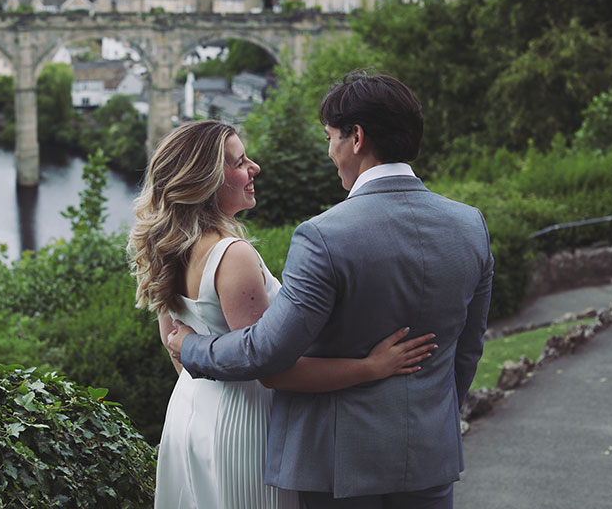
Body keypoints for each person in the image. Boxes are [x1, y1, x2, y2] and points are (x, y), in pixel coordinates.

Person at [167, 73, 494, 509]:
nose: (329, 151)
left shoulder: (323, 236)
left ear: (355, 138)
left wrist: (191, 349)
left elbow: (267, 352)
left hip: (338, 465)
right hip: (428, 455)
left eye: (329, 138)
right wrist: (434, 420)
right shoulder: (471, 225)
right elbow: (468, 351)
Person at [128, 120, 438, 509]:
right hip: (244, 423)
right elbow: (273, 368)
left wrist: (207, 398)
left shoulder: (169, 246)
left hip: (190, 410)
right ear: (206, 179)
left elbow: (174, 347)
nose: (254, 168)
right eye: (240, 163)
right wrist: (372, 367)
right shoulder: (231, 254)